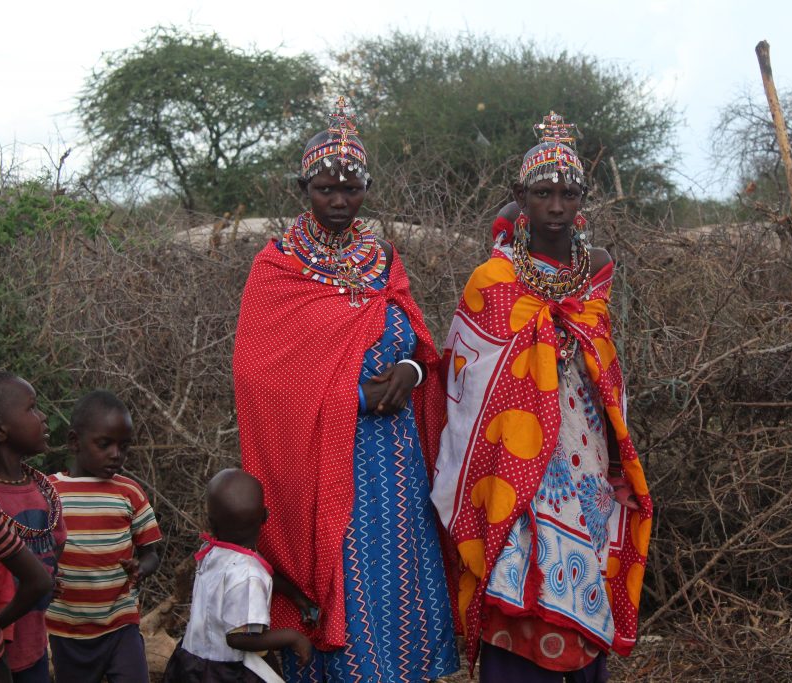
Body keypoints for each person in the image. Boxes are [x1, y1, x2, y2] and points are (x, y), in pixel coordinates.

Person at [233, 97, 459, 682]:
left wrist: (409, 375)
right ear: (302, 187)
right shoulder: (278, 266)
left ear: (366, 188)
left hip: (397, 458)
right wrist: (355, 399)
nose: (338, 201)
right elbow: (261, 379)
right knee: (347, 571)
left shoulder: (381, 257)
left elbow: (415, 338)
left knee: (397, 570)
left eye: (350, 189)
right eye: (324, 189)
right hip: (327, 460)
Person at [431, 112, 653, 681]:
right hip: (513, 452)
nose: (556, 205)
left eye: (568, 193)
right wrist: (538, 341)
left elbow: (604, 359)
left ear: (583, 198)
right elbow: (466, 374)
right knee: (515, 563)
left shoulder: (597, 269)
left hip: (583, 446)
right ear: (520, 197)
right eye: (543, 193)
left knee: (587, 562)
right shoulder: (493, 278)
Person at [45, 390, 162, 682]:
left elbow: (151, 553)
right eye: (105, 444)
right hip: (66, 626)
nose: (116, 455)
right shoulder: (47, 493)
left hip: (120, 620)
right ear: (74, 442)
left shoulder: (129, 492)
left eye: (124, 446)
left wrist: (141, 568)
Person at [0, 371, 66, 683]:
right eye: (32, 408)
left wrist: (52, 574)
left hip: (33, 641)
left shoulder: (43, 489)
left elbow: (55, 548)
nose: (43, 416)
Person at [163, 468, 311, 682]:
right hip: (226, 672)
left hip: (190, 662)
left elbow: (252, 575)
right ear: (266, 516)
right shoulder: (249, 573)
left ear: (210, 523)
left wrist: (295, 595)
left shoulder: (212, 552)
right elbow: (239, 638)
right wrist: (293, 637)